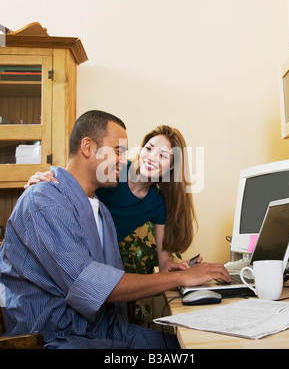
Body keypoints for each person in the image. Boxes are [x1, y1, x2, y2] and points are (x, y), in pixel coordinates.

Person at [0, 110, 231, 349]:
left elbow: (161, 260)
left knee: (191, 346)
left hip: (104, 329)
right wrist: (181, 276)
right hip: (62, 338)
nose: (126, 160)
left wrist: (174, 272)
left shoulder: (102, 211)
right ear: (88, 148)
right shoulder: (45, 200)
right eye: (118, 152)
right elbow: (93, 285)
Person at [26, 125, 199, 272]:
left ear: (172, 166)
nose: (151, 157)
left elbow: (165, 261)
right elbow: (75, 181)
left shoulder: (157, 203)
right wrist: (48, 181)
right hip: (70, 253)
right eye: (149, 148)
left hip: (99, 265)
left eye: (162, 156)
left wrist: (175, 268)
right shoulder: (115, 170)